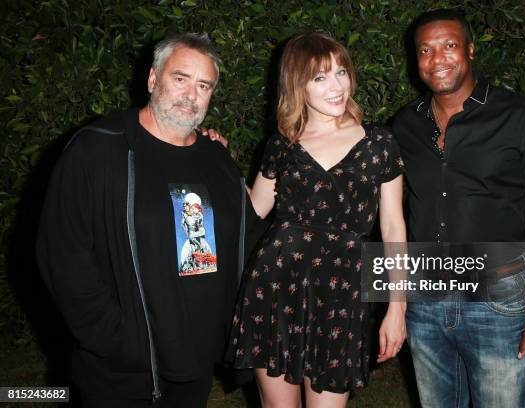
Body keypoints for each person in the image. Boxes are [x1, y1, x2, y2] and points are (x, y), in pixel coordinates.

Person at [36, 33, 257, 407]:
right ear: (153, 79)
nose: (191, 95)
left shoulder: (217, 161)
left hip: (195, 362)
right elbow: (63, 253)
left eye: (204, 85)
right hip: (122, 370)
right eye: (180, 78)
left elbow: (247, 240)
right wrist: (112, 339)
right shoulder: (98, 148)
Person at [392, 9, 525, 407]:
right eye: (425, 50)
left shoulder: (521, 118)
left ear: (470, 50)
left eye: (449, 46)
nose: (437, 59)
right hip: (424, 296)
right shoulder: (404, 125)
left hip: (498, 297)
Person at [225, 31, 407, 407]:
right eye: (320, 77)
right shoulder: (283, 145)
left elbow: (392, 228)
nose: (337, 85)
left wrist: (397, 305)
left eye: (341, 72)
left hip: (342, 293)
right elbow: (254, 208)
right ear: (298, 85)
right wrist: (216, 161)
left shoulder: (379, 144)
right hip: (275, 287)